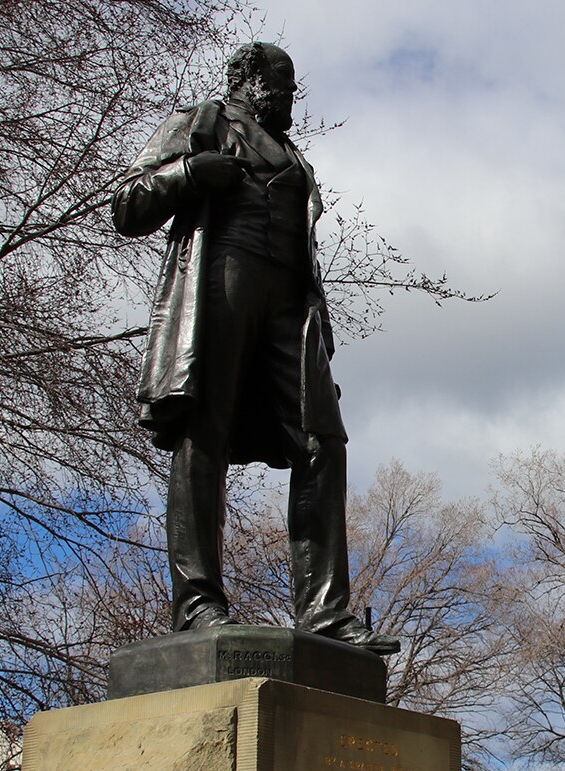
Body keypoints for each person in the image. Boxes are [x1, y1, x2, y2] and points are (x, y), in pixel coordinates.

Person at [112, 42, 399, 655]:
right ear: (244, 79)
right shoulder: (205, 124)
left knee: (324, 441)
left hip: (290, 305)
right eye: (281, 83)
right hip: (222, 279)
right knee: (204, 433)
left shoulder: (293, 156)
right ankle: (197, 604)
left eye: (293, 86)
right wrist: (190, 173)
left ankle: (323, 613)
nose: (290, 97)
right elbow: (127, 205)